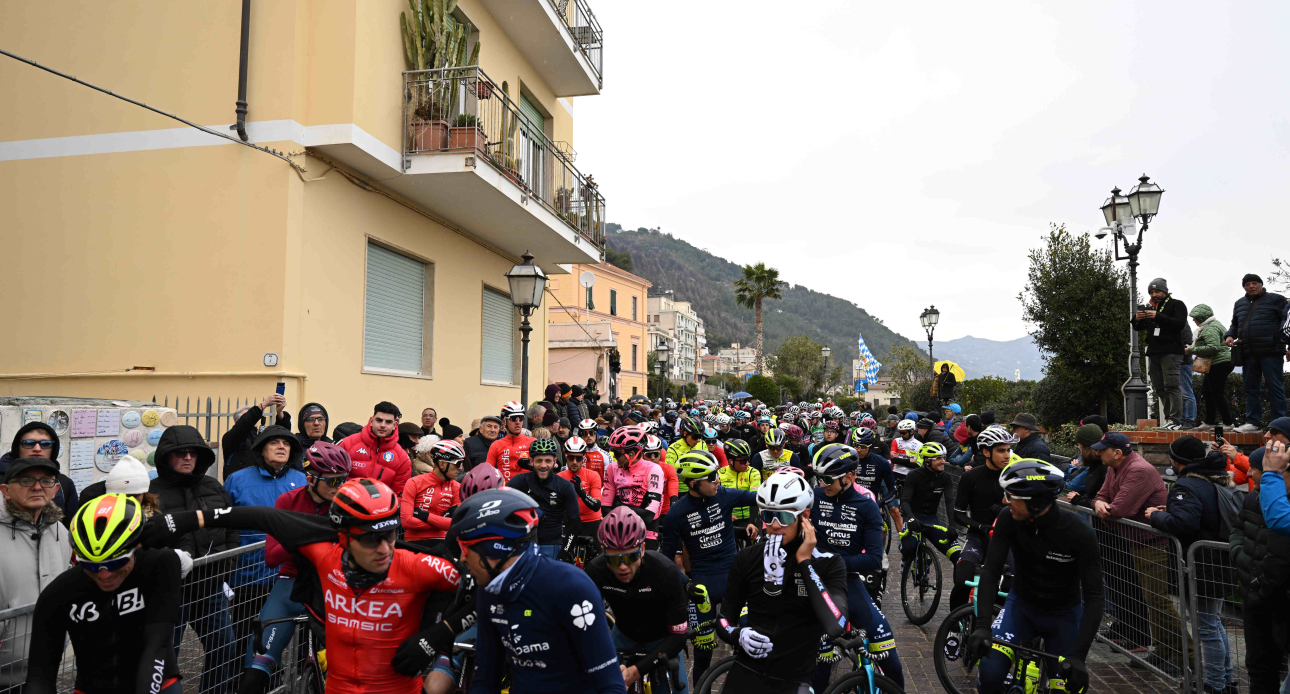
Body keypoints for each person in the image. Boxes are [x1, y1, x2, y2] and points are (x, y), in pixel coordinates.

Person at [450, 488, 626, 694]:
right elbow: (485, 681)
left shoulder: (571, 587)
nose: (462, 558)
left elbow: (611, 685)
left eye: (465, 547)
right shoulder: (490, 588)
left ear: (495, 548)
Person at [966, 461, 1103, 694]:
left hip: (1064, 616)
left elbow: (1095, 596)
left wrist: (1078, 656)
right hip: (1021, 608)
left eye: (1010, 496)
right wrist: (982, 625)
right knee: (990, 674)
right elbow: (991, 570)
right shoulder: (1008, 518)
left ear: (1037, 503)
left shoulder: (1078, 532)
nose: (1004, 501)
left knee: (1068, 689)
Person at [25, 495, 183, 694]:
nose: (104, 574)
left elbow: (156, 645)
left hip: (157, 684)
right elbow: (40, 677)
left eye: (116, 562)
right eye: (90, 565)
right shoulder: (58, 593)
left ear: (136, 547)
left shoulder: (160, 564)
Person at [715, 470, 851, 693]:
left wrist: (805, 563)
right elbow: (724, 620)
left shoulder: (828, 563)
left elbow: (836, 624)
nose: (775, 525)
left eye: (785, 516)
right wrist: (737, 635)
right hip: (746, 669)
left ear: (805, 516)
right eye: (768, 516)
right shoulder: (747, 558)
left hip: (793, 678)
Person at [239, 442, 351, 694]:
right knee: (254, 675)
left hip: (331, 586)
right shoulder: (289, 500)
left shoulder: (348, 502)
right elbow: (271, 557)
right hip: (289, 585)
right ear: (310, 479)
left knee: (344, 673)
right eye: (333, 482)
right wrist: (305, 533)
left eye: (343, 479)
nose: (341, 486)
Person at [150, 425, 240, 694]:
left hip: (210, 587)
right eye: (180, 453)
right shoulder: (151, 493)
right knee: (166, 658)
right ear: (166, 456)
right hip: (169, 593)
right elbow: (145, 539)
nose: (188, 458)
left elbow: (232, 525)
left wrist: (227, 565)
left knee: (225, 648)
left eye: (193, 453)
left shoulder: (213, 487)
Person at [1144, 436, 1236, 694]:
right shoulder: (1213, 478)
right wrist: (1171, 511)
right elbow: (1202, 514)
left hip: (1200, 567)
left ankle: (1215, 684)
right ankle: (1226, 681)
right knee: (1214, 624)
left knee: (1206, 627)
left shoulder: (1187, 485)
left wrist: (1157, 516)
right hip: (1217, 563)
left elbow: (1185, 525)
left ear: (1177, 460)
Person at [810, 445, 904, 690]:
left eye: (828, 478)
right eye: (819, 478)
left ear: (850, 476)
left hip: (848, 582)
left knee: (890, 659)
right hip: (816, 584)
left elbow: (874, 558)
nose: (823, 484)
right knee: (820, 663)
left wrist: (833, 563)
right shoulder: (814, 497)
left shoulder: (867, 506)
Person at [1091, 431, 1188, 671]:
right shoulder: (1114, 467)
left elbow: (1119, 509)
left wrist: (1107, 510)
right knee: (1152, 599)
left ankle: (1188, 657)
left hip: (1152, 542)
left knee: (1158, 600)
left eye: (1102, 449)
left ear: (1117, 452)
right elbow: (1101, 497)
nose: (1097, 453)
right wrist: (1099, 504)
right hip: (1137, 541)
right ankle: (1164, 652)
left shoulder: (1137, 470)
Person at [223, 425, 308, 672]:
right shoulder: (237, 479)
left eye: (286, 443)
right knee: (245, 636)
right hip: (249, 575)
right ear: (261, 449)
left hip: (290, 576)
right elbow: (227, 524)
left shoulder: (303, 480)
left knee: (282, 639)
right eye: (275, 442)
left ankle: (281, 682)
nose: (282, 446)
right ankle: (242, 683)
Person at [585, 508, 691, 694]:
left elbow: (679, 636)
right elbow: (588, 625)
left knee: (678, 690)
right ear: (603, 552)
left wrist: (635, 672)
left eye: (630, 556)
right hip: (624, 635)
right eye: (614, 559)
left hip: (662, 638)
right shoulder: (595, 570)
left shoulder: (664, 571)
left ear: (642, 549)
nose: (623, 566)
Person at [0, 456, 73, 694]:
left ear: (55, 489)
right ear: (6, 490)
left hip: (44, 668)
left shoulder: (60, 531)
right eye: (26, 480)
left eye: (46, 480)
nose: (38, 486)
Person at [1231, 434, 1290, 694]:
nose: (1259, 480)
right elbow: (1238, 529)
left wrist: (1272, 476)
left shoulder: (1275, 500)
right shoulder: (1255, 497)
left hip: (1280, 599)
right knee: (1259, 668)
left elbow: (1279, 521)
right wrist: (1241, 557)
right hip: (1256, 595)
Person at [949, 425, 1016, 611]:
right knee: (962, 582)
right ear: (986, 452)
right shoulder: (970, 477)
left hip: (1006, 541)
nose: (1007, 455)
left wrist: (1005, 507)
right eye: (1001, 450)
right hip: (977, 538)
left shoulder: (1014, 476)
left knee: (1006, 589)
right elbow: (959, 514)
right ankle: (954, 631)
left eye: (1009, 450)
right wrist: (981, 527)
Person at [1226, 274, 1289, 433]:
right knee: (1250, 387)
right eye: (1247, 284)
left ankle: (1278, 425)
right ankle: (1253, 422)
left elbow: (1288, 322)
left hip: (1271, 350)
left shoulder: (1277, 300)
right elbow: (1235, 323)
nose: (1251, 286)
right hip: (1248, 351)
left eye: (1255, 283)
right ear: (1244, 287)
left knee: (1275, 387)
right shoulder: (1239, 304)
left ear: (1261, 284)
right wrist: (1229, 335)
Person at [506, 437, 583, 558]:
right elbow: (501, 504)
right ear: (531, 462)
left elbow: (575, 524)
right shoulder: (520, 481)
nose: (543, 465)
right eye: (539, 461)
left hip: (551, 545)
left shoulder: (565, 486)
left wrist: (564, 553)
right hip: (523, 544)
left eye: (548, 461)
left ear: (555, 462)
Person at [1131, 278, 1189, 429]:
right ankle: (1169, 419)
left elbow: (1179, 323)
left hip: (1171, 352)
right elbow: (1138, 328)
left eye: (1157, 291)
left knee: (1172, 386)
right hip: (1154, 352)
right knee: (1160, 387)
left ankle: (1176, 421)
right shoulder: (1152, 309)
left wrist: (1158, 316)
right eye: (1151, 292)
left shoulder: (1177, 304)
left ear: (1165, 291)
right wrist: (1136, 320)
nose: (1154, 294)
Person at [0, 423, 78, 527]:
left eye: (45, 444)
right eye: (28, 443)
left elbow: (72, 529)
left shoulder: (64, 484)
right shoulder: (2, 478)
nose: (37, 448)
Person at [899, 441, 961, 570]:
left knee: (958, 557)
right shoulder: (913, 475)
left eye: (943, 457)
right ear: (927, 460)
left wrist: (952, 525)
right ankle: (905, 555)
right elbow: (904, 501)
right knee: (909, 547)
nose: (943, 461)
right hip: (913, 516)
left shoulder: (945, 477)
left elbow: (950, 501)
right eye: (938, 458)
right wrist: (910, 517)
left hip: (931, 519)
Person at [603, 426, 665, 550]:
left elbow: (648, 516)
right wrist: (634, 510)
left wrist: (619, 507)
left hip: (647, 529)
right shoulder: (612, 468)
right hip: (620, 528)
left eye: (616, 453)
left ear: (631, 454)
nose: (614, 457)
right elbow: (605, 508)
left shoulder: (653, 469)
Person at [400, 439, 464, 551]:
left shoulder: (457, 487)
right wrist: (442, 521)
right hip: (413, 541)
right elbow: (406, 521)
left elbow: (456, 524)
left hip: (441, 541)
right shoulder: (414, 482)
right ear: (442, 464)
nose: (461, 468)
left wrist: (425, 516)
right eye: (458, 463)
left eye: (462, 463)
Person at [337, 402, 412, 494]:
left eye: (388, 422)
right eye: (379, 420)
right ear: (371, 421)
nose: (383, 425)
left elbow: (398, 494)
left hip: (380, 507)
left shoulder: (402, 458)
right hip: (345, 503)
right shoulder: (346, 444)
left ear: (395, 425)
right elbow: (331, 482)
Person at [223, 391, 293, 478]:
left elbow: (281, 434)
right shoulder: (231, 438)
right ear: (237, 421)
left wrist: (280, 412)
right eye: (247, 416)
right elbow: (244, 424)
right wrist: (264, 404)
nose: (253, 418)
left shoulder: (261, 437)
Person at [1189, 304, 1236, 430]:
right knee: (1208, 392)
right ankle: (1210, 421)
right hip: (1218, 362)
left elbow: (1213, 347)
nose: (1193, 320)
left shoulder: (1210, 328)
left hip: (1219, 363)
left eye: (1195, 317)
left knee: (1217, 393)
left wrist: (1192, 350)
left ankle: (1228, 422)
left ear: (1202, 317)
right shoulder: (1214, 325)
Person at [558, 436, 604, 542]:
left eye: (578, 458)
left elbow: (596, 506)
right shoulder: (559, 477)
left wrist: (581, 491)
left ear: (583, 458)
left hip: (591, 521)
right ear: (566, 456)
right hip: (570, 522)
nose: (574, 462)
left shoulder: (593, 475)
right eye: (571, 458)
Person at [717, 438, 762, 535]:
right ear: (730, 461)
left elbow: (755, 497)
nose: (747, 463)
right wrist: (726, 514)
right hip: (729, 518)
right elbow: (716, 499)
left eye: (748, 459)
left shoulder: (753, 472)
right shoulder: (720, 474)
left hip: (751, 516)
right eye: (743, 461)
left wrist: (751, 522)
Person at [485, 401, 535, 484]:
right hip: (504, 491)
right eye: (514, 418)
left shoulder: (532, 442)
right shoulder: (496, 445)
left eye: (521, 418)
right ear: (504, 422)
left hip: (527, 491)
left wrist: (532, 467)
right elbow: (487, 472)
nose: (518, 422)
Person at [665, 418, 708, 494]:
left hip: (700, 487)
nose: (698, 440)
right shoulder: (673, 448)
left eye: (700, 437)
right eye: (695, 437)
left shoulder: (702, 444)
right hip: (682, 490)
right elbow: (670, 473)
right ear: (685, 433)